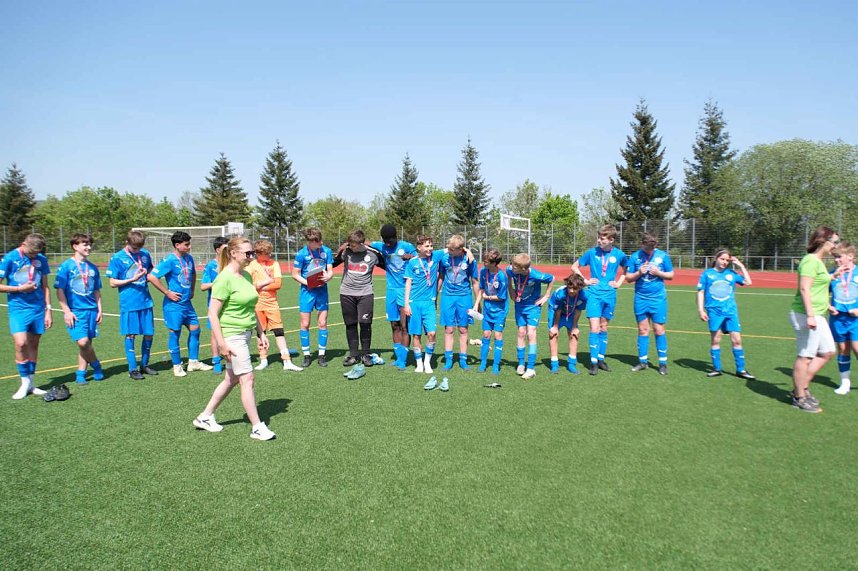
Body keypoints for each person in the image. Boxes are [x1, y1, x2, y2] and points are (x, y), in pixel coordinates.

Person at [192, 236, 276, 441]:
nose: (251, 257)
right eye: (247, 253)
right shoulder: (223, 278)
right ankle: (257, 427)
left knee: (231, 379)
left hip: (245, 333)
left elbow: (251, 307)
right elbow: (213, 314)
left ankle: (205, 416)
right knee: (247, 378)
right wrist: (221, 344)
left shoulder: (246, 276)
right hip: (232, 335)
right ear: (233, 253)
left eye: (252, 253)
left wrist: (260, 332)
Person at [789, 227, 840, 413]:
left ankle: (801, 386)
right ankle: (799, 396)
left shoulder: (819, 262)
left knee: (827, 352)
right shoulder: (810, 261)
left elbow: (818, 287)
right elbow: (805, 289)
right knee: (805, 356)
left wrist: (828, 303)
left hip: (818, 313)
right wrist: (810, 315)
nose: (836, 245)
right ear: (823, 241)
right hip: (806, 315)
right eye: (834, 241)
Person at [149, 231, 212, 377]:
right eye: (186, 244)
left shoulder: (189, 258)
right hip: (173, 305)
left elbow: (194, 273)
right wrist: (167, 292)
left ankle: (193, 362)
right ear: (177, 245)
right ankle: (177, 366)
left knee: (195, 330)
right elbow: (152, 277)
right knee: (175, 333)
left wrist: (192, 289)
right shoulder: (169, 260)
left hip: (187, 303)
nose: (189, 247)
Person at [571, 224, 628, 375]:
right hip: (594, 295)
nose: (599, 241)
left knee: (603, 328)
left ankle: (601, 359)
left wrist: (619, 283)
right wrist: (585, 281)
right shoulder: (591, 253)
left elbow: (627, 270)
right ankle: (594, 362)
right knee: (594, 328)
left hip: (610, 295)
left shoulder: (620, 255)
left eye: (602, 238)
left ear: (611, 240)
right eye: (599, 237)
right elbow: (575, 266)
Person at [0, 233, 51, 399]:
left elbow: (45, 286)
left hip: (38, 308)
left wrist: (48, 309)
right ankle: (24, 383)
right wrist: (19, 289)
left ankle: (31, 382)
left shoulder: (41, 259)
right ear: (23, 244)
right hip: (18, 308)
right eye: (31, 254)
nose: (33, 257)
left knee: (34, 345)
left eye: (36, 254)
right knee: (21, 343)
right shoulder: (9, 258)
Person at [332, 230, 386, 376]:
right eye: (350, 245)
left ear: (362, 243)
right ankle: (353, 355)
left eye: (354, 246)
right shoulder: (346, 252)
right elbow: (332, 263)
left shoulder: (373, 254)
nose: (351, 248)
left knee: (365, 323)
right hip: (346, 293)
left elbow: (388, 265)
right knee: (350, 324)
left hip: (365, 293)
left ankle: (366, 354)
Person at [54, 233, 105, 384]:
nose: (89, 247)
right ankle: (96, 365)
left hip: (92, 310)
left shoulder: (93, 268)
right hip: (75, 312)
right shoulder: (66, 266)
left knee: (87, 344)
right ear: (75, 246)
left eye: (90, 244)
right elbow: (60, 290)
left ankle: (81, 372)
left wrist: (100, 309)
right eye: (85, 244)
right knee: (82, 342)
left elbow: (97, 290)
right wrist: (67, 311)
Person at [696, 248, 755, 380]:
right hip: (714, 311)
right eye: (722, 259)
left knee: (737, 340)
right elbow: (700, 292)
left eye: (727, 260)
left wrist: (741, 266)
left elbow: (748, 282)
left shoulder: (731, 274)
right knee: (716, 340)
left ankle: (741, 370)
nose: (724, 262)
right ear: (716, 259)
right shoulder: (707, 274)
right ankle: (717, 369)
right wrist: (701, 310)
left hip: (730, 311)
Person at [106, 231, 157, 380]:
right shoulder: (117, 258)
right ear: (127, 243)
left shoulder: (145, 254)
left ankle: (145, 364)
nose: (136, 251)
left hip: (146, 300)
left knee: (149, 333)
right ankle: (132, 368)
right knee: (131, 334)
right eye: (134, 248)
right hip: (129, 302)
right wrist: (133, 279)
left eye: (139, 248)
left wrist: (149, 276)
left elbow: (151, 270)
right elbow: (112, 282)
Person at [247, 240, 302, 372]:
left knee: (279, 331)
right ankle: (263, 359)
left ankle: (287, 360)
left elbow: (278, 284)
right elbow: (249, 286)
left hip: (272, 304)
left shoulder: (274, 264)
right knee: (260, 333)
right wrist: (262, 285)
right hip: (257, 304)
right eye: (267, 253)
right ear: (259, 253)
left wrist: (260, 286)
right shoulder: (250, 266)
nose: (270, 255)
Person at [625, 233, 675, 375]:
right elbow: (628, 278)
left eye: (652, 249)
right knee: (643, 330)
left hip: (658, 299)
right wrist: (639, 272)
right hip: (641, 298)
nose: (650, 251)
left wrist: (658, 272)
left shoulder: (663, 256)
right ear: (642, 245)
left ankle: (663, 363)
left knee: (659, 329)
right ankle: (643, 362)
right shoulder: (635, 257)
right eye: (647, 249)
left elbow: (671, 275)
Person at [371, 224, 417, 369]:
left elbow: (421, 257)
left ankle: (403, 360)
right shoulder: (382, 246)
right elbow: (365, 243)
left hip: (404, 291)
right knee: (394, 325)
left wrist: (412, 257)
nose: (387, 243)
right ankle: (398, 357)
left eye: (390, 240)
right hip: (391, 291)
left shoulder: (407, 246)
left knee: (404, 326)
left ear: (396, 237)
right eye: (385, 240)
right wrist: (347, 244)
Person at [507, 253, 554, 379]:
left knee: (531, 333)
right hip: (519, 305)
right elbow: (508, 276)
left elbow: (551, 279)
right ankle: (521, 364)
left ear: (524, 269)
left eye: (515, 267)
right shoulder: (510, 270)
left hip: (533, 306)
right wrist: (511, 290)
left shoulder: (536, 275)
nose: (511, 267)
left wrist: (546, 296)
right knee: (521, 333)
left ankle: (531, 368)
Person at [292, 228, 334, 367]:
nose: (321, 243)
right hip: (307, 292)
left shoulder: (326, 251)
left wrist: (329, 276)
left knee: (322, 323)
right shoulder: (302, 254)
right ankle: (307, 355)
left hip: (322, 291)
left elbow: (330, 270)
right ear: (311, 242)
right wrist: (308, 283)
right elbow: (295, 274)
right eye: (318, 242)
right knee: (305, 324)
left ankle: (322, 355)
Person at [438, 234, 479, 371]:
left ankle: (463, 359)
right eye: (448, 249)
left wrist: (478, 302)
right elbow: (441, 277)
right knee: (449, 329)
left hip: (464, 297)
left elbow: (474, 281)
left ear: (460, 249)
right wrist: (435, 295)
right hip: (448, 297)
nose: (448, 251)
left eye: (451, 250)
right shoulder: (444, 258)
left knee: (463, 329)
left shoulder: (469, 259)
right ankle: (448, 360)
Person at [404, 235, 444, 374]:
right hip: (414, 303)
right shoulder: (412, 262)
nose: (430, 248)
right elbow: (408, 283)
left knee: (432, 333)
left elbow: (451, 248)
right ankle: (419, 363)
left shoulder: (435, 256)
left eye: (431, 246)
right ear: (419, 247)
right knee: (416, 335)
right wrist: (406, 304)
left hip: (429, 303)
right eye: (427, 246)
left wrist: (466, 250)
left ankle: (427, 362)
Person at [473, 249, 509, 375]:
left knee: (498, 336)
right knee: (486, 334)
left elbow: (501, 297)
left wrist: (487, 298)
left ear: (494, 263)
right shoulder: (483, 271)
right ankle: (483, 363)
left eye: (486, 261)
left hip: (499, 311)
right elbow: (482, 289)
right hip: (488, 310)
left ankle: (496, 364)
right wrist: (476, 304)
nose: (484, 263)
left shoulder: (501, 276)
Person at [829, 242, 858, 395]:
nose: (836, 260)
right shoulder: (833, 274)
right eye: (834, 257)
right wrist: (829, 306)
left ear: (851, 256)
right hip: (838, 319)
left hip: (856, 320)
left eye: (839, 257)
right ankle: (845, 383)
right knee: (843, 349)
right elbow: (819, 292)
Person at [547, 273, 588, 375]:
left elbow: (578, 311)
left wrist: (574, 327)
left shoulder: (584, 296)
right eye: (569, 288)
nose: (571, 291)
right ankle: (554, 364)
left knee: (574, 335)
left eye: (574, 289)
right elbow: (558, 310)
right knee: (553, 335)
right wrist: (555, 327)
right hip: (556, 311)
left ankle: (571, 364)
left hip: (571, 312)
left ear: (580, 288)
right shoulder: (560, 294)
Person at [200, 236, 229, 373]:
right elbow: (203, 286)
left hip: (230, 304)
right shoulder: (211, 266)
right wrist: (217, 283)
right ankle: (216, 360)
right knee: (214, 333)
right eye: (225, 248)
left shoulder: (230, 264)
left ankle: (231, 357)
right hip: (216, 304)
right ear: (218, 250)